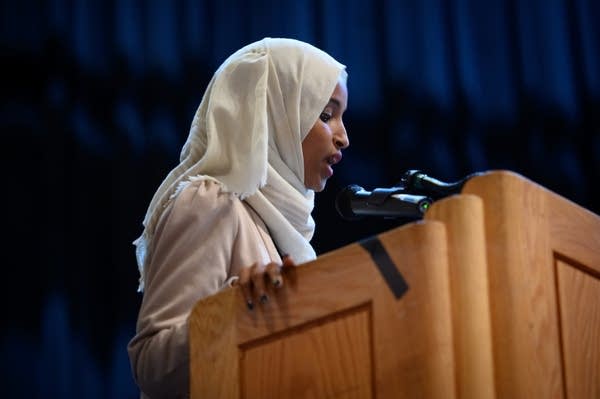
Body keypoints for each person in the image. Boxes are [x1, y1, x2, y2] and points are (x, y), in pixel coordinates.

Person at [127, 37, 349, 398]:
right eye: (326, 115)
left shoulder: (279, 233)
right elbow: (153, 366)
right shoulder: (210, 203)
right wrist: (235, 311)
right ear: (272, 114)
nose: (344, 138)